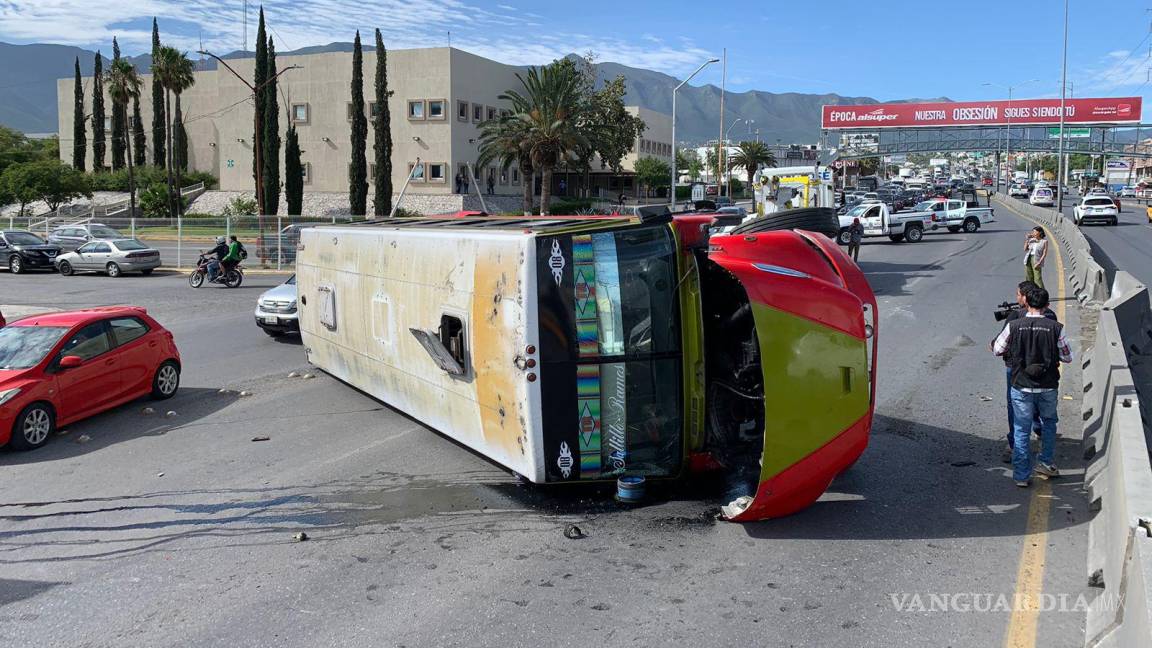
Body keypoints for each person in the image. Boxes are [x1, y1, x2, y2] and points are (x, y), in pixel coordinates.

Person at [992, 287, 1072, 487]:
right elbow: (1067, 357)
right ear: (1047, 306)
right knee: (1049, 423)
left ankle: (1021, 475)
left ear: (1026, 301)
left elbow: (997, 349)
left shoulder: (1015, 325)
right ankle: (1045, 462)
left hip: (1021, 386)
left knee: (1021, 429)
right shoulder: (1056, 327)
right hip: (1047, 386)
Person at [992, 281, 1056, 463]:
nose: (1017, 298)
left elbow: (998, 347)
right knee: (1044, 411)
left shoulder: (1015, 319)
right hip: (1046, 372)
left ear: (1026, 298)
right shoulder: (1052, 318)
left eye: (1018, 294)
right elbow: (1064, 353)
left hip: (1017, 370)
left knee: (1017, 412)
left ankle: (1015, 451)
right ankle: (1044, 449)